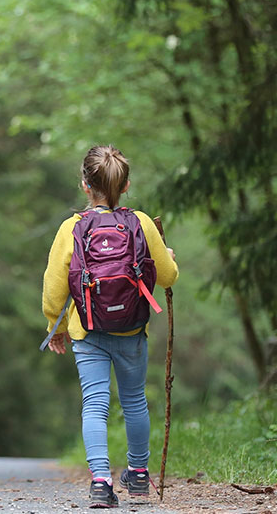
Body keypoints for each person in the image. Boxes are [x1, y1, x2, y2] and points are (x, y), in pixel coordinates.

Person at [42, 145, 178, 508]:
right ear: (126, 185)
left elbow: (54, 287)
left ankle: (101, 482)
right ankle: (137, 476)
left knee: (95, 404)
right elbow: (167, 276)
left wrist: (54, 327)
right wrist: (168, 258)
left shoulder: (71, 228)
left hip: (87, 331)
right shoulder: (142, 223)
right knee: (134, 402)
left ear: (85, 185)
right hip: (132, 330)